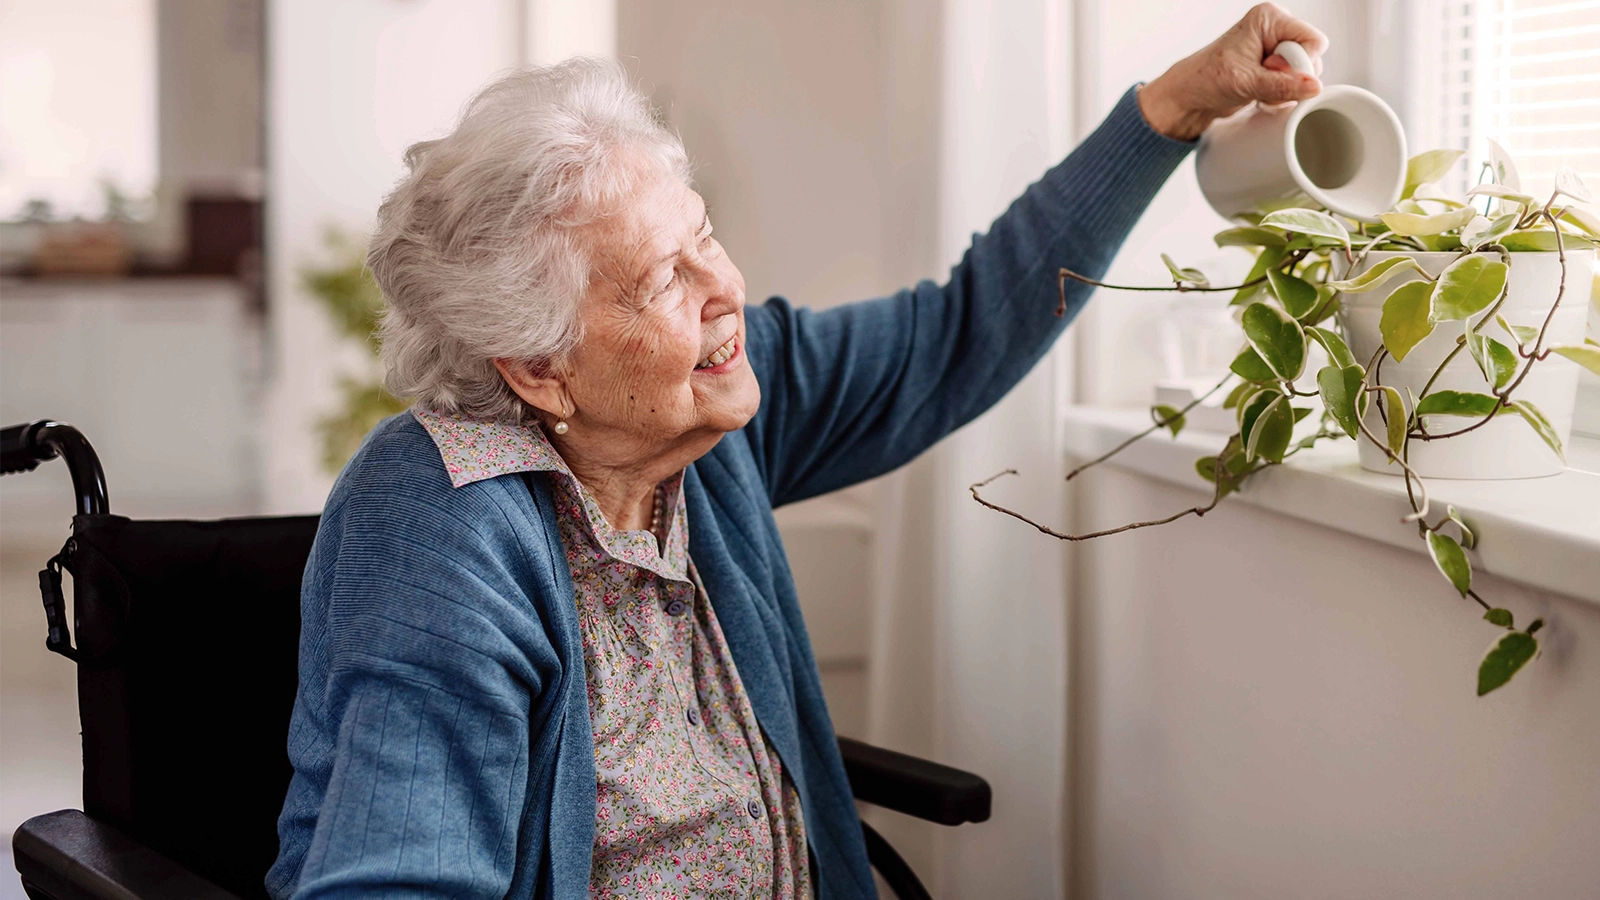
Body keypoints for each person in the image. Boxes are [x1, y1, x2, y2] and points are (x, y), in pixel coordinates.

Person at [266, 5, 1327, 899]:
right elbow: (398, 878)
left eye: (704, 238)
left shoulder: (706, 408)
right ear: (537, 368)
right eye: (660, 282)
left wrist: (1177, 107)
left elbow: (958, 334)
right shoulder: (441, 518)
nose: (723, 288)